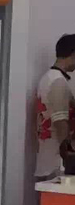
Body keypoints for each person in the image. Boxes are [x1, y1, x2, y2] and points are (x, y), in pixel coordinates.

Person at [36, 34, 75, 179]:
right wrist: (68, 157)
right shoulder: (58, 82)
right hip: (58, 165)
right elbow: (61, 122)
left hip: (47, 160)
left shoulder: (48, 78)